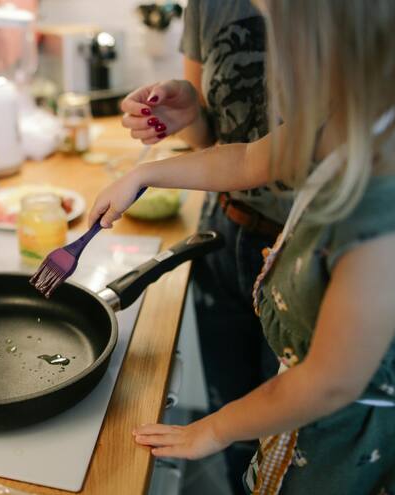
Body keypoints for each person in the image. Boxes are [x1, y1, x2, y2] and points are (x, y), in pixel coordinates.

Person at [92, 0, 395, 492]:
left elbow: (328, 382)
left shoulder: (390, 211)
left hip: (353, 446)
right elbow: (245, 162)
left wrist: (214, 428)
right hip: (309, 417)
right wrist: (144, 174)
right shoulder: (351, 119)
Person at [119, 1, 281, 489]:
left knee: (290, 436)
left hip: (306, 250)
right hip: (225, 232)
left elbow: (325, 386)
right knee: (231, 414)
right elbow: (219, 141)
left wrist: (147, 173)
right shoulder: (208, 5)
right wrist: (186, 111)